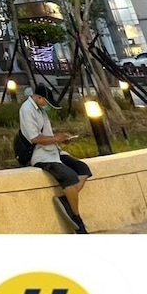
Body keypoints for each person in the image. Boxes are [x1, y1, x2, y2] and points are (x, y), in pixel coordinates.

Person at [19, 83, 92, 234]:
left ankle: (66, 199)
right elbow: (35, 138)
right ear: (39, 98)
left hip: (54, 152)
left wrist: (61, 139)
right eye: (46, 102)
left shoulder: (40, 110)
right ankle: (77, 219)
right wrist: (57, 138)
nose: (47, 105)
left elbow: (48, 135)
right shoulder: (27, 110)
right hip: (41, 155)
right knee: (71, 178)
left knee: (83, 169)